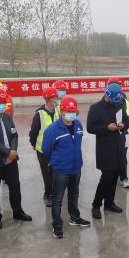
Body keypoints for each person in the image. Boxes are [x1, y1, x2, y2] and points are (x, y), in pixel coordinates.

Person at [0, 89, 32, 229]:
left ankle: (18, 211)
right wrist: (8, 153)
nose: (2, 105)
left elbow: (14, 135)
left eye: (4, 102)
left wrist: (13, 151)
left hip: (11, 159)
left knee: (15, 187)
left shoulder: (7, 117)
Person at [42, 96, 90, 239]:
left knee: (74, 195)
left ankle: (75, 217)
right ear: (61, 111)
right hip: (61, 170)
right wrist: (58, 160)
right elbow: (46, 149)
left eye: (73, 112)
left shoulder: (78, 125)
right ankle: (57, 226)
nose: (71, 114)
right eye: (68, 111)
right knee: (57, 199)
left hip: (76, 168)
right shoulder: (53, 130)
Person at [86, 83, 129, 219]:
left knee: (115, 176)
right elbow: (90, 128)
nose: (115, 102)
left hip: (119, 145)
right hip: (105, 148)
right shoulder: (95, 108)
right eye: (113, 100)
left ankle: (109, 203)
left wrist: (123, 125)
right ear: (106, 95)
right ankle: (96, 205)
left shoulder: (120, 104)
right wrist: (106, 128)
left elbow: (127, 120)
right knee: (106, 178)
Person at [29, 87, 60, 207]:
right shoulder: (39, 114)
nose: (57, 100)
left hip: (56, 149)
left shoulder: (57, 111)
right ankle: (48, 195)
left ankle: (55, 191)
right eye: (55, 98)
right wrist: (34, 145)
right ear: (49, 99)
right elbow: (33, 133)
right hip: (43, 150)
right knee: (46, 172)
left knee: (54, 171)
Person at [107, 77, 129, 189]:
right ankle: (110, 177)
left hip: (122, 133)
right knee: (109, 156)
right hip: (108, 133)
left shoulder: (125, 102)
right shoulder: (105, 100)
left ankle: (124, 178)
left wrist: (122, 125)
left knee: (122, 157)